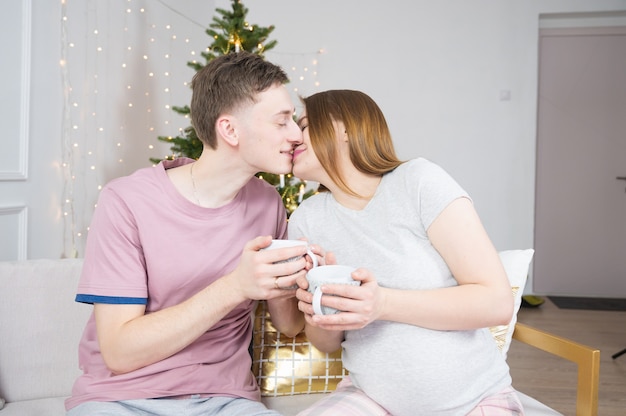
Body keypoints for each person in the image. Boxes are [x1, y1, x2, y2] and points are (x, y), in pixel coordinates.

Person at [65, 51, 319, 415]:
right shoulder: (126, 201)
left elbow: (288, 325)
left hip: (227, 400)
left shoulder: (268, 203)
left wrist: (299, 279)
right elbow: (119, 352)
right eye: (282, 122)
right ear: (229, 129)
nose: (297, 135)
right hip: (122, 398)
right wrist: (236, 286)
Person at [288, 89, 524, 415]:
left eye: (303, 124)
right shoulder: (306, 220)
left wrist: (382, 303)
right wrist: (319, 313)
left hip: (474, 400)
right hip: (370, 398)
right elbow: (325, 344)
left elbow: (496, 303)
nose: (291, 137)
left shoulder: (418, 182)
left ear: (342, 127)